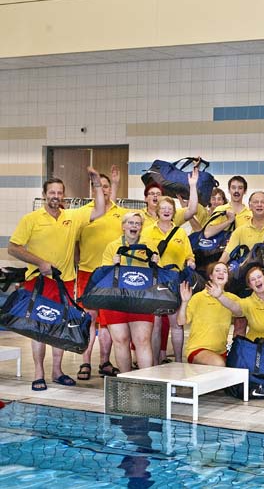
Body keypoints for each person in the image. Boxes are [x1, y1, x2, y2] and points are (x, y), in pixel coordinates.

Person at [8, 169, 106, 391]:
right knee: (39, 328)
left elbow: (99, 210)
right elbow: (13, 247)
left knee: (59, 326)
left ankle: (57, 371)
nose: (56, 196)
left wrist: (97, 183)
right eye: (51, 192)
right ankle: (39, 373)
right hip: (38, 282)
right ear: (44, 195)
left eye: (59, 192)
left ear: (64, 196)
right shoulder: (31, 219)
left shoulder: (72, 217)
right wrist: (40, 262)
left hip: (64, 282)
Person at [74, 166, 123, 380]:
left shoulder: (121, 214)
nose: (103, 189)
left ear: (111, 189)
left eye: (106, 186)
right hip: (87, 273)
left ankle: (104, 361)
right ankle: (85, 362)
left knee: (107, 322)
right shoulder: (85, 212)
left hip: (111, 276)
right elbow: (74, 243)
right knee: (88, 320)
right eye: (99, 186)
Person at [99, 212, 159, 373]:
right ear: (123, 226)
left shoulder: (149, 246)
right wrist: (112, 265)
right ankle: (126, 381)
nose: (134, 226)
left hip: (141, 300)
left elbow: (158, 275)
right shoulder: (112, 246)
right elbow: (103, 274)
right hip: (116, 300)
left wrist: (155, 264)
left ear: (141, 227)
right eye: (131, 223)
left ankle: (148, 382)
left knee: (142, 340)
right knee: (120, 340)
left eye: (138, 223)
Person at [220, 191, 264, 337]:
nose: (259, 205)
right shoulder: (240, 230)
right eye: (255, 202)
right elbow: (227, 254)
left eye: (263, 202)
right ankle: (238, 354)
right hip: (245, 284)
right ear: (250, 205)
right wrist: (216, 274)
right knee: (240, 324)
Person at [142, 196, 195, 364]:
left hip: (174, 280)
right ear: (157, 211)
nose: (166, 211)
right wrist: (150, 259)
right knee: (156, 324)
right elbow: (141, 253)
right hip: (155, 281)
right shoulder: (148, 231)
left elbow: (189, 253)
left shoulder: (180, 232)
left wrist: (191, 261)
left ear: (173, 212)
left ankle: (179, 361)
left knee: (176, 324)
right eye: (163, 208)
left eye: (169, 209)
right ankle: (155, 362)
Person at [176, 262, 238, 366]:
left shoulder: (232, 298)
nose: (221, 273)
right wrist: (184, 302)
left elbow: (241, 311)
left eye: (225, 271)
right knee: (219, 364)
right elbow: (180, 321)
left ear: (228, 277)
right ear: (211, 276)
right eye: (217, 271)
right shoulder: (198, 297)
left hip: (221, 351)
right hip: (198, 350)